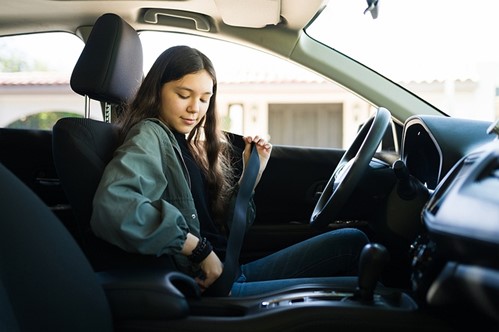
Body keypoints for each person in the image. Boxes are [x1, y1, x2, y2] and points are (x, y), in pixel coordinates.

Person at [90, 45, 369, 297]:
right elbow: (114, 206)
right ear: (157, 90)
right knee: (362, 283)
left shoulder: (184, 144)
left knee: (352, 242)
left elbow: (223, 228)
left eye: (204, 98)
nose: (194, 108)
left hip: (231, 270)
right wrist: (197, 249)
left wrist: (252, 175)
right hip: (215, 288)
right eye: (183, 95)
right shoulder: (150, 135)